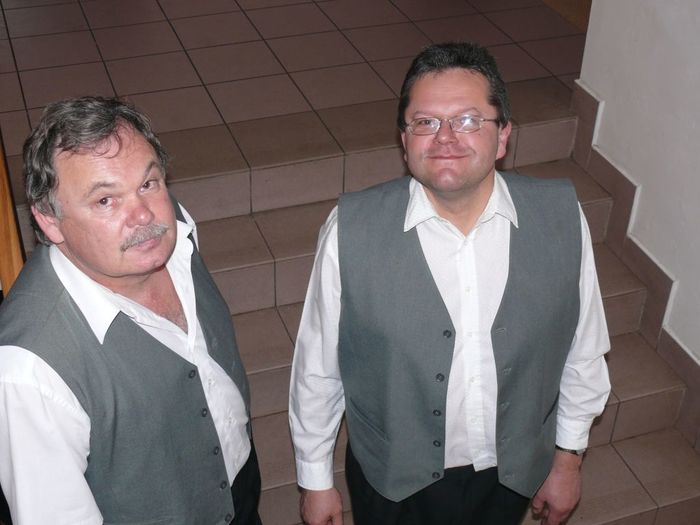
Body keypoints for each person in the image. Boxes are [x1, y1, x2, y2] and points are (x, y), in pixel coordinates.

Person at [289, 42, 611, 525]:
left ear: (502, 136)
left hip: (511, 473)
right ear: (404, 141)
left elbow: (583, 352)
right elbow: (318, 368)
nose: (444, 138)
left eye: (467, 120)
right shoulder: (349, 231)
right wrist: (316, 479)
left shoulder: (562, 218)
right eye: (425, 122)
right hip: (392, 482)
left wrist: (567, 458)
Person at [0, 96, 261, 525]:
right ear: (49, 220)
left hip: (241, 483)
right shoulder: (30, 372)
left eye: (148, 183)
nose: (143, 215)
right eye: (106, 200)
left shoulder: (174, 228)